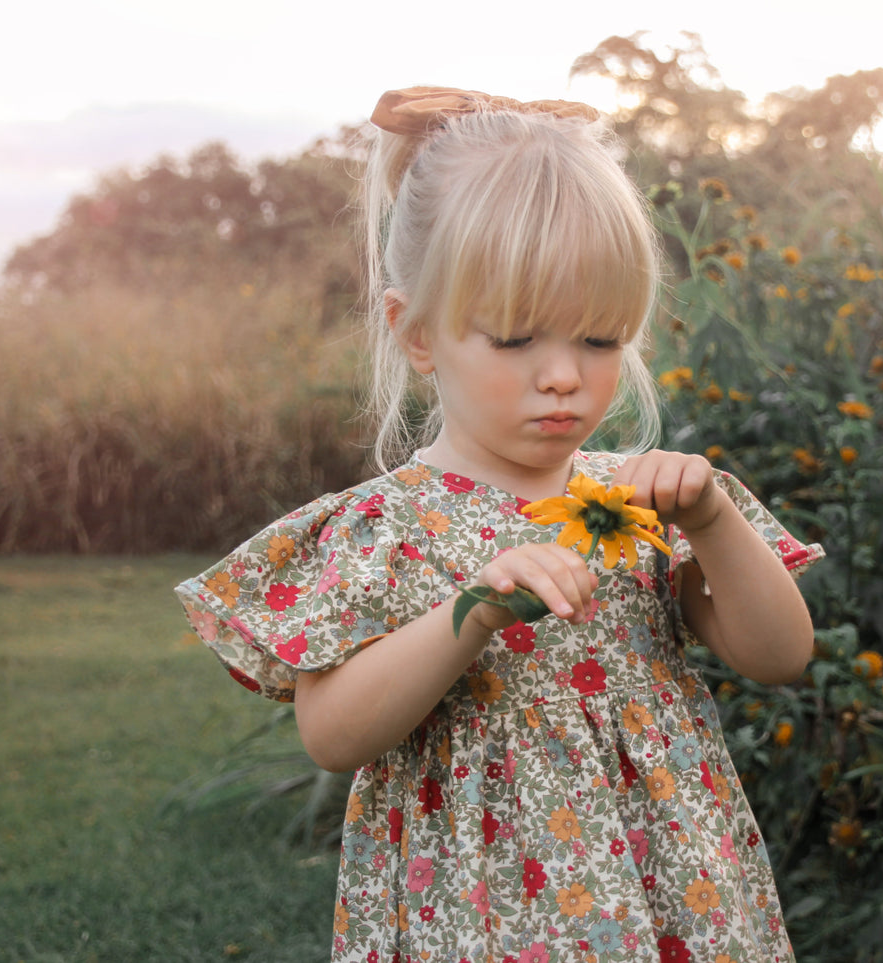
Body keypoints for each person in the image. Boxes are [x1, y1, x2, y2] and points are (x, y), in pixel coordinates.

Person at [176, 85, 824, 963]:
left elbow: (780, 654)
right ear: (417, 333)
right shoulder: (388, 527)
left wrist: (711, 522)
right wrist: (470, 610)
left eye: (600, 340)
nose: (563, 375)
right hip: (484, 903)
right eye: (517, 339)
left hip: (669, 884)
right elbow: (333, 735)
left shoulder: (634, 502)